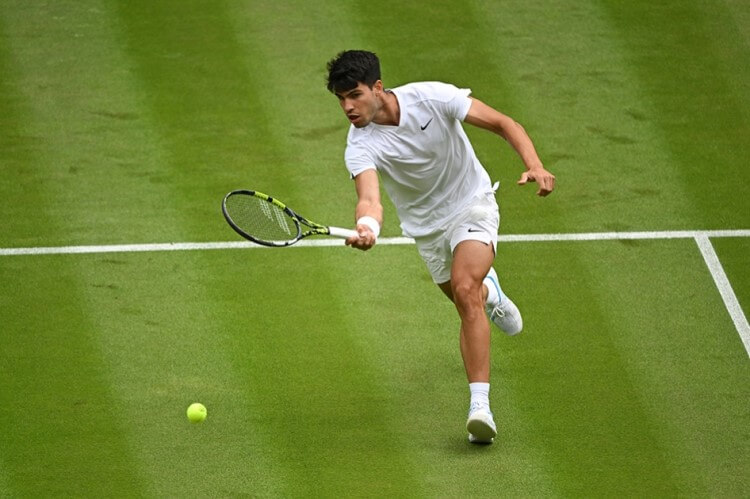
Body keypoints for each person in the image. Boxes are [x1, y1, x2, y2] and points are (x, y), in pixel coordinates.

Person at [326, 50, 555, 444]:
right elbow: (370, 199)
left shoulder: (432, 97)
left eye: (355, 95)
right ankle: (492, 293)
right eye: (341, 98)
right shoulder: (359, 145)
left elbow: (503, 123)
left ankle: (479, 408)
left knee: (465, 292)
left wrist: (534, 163)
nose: (348, 106)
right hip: (427, 229)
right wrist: (367, 227)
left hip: (472, 202)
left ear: (378, 88)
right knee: (469, 297)